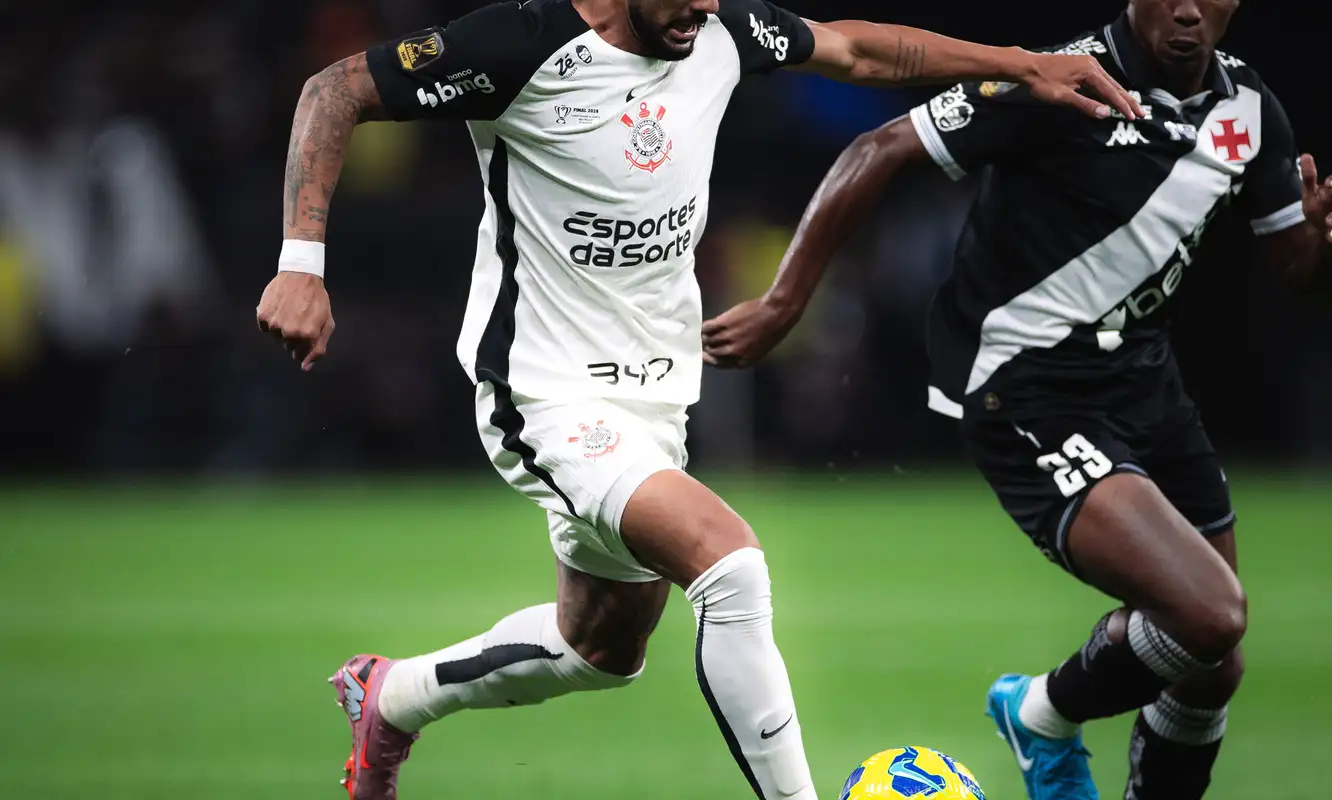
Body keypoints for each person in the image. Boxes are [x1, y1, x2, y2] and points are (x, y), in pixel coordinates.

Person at [254, 0, 1140, 797]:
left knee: (600, 649)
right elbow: (334, 92)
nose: (704, 7)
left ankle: (390, 697)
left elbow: (863, 51)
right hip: (544, 390)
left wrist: (1021, 62)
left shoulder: (715, 28)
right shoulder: (519, 44)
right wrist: (301, 263)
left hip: (654, 397)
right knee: (730, 562)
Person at [701, 2, 1332, 799]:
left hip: (1147, 387)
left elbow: (1306, 277)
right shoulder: (1058, 81)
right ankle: (1041, 713)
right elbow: (879, 146)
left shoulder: (1250, 110)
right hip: (1027, 387)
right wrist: (784, 302)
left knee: (1212, 662)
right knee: (1211, 616)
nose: (1189, 9)